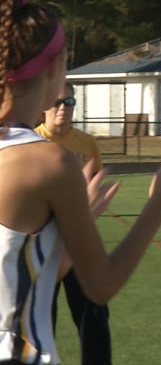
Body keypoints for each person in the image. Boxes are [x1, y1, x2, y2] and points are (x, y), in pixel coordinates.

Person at [0, 0, 161, 365]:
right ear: (55, 67)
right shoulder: (50, 163)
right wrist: (158, 205)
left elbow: (21, 277)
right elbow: (101, 285)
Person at [34, 82, 111, 364]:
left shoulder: (87, 144)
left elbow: (95, 186)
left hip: (80, 241)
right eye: (57, 102)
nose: (63, 108)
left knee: (93, 314)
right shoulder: (32, 142)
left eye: (69, 102)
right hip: (43, 244)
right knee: (42, 316)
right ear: (43, 106)